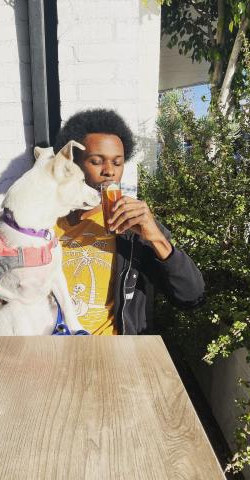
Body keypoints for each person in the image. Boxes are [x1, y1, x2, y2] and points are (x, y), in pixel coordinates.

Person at [53, 108, 204, 335]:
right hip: (51, 350)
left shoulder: (134, 226)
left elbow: (191, 297)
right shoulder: (46, 224)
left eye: (117, 162)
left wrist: (155, 237)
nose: (109, 172)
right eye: (96, 161)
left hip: (115, 355)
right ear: (74, 165)